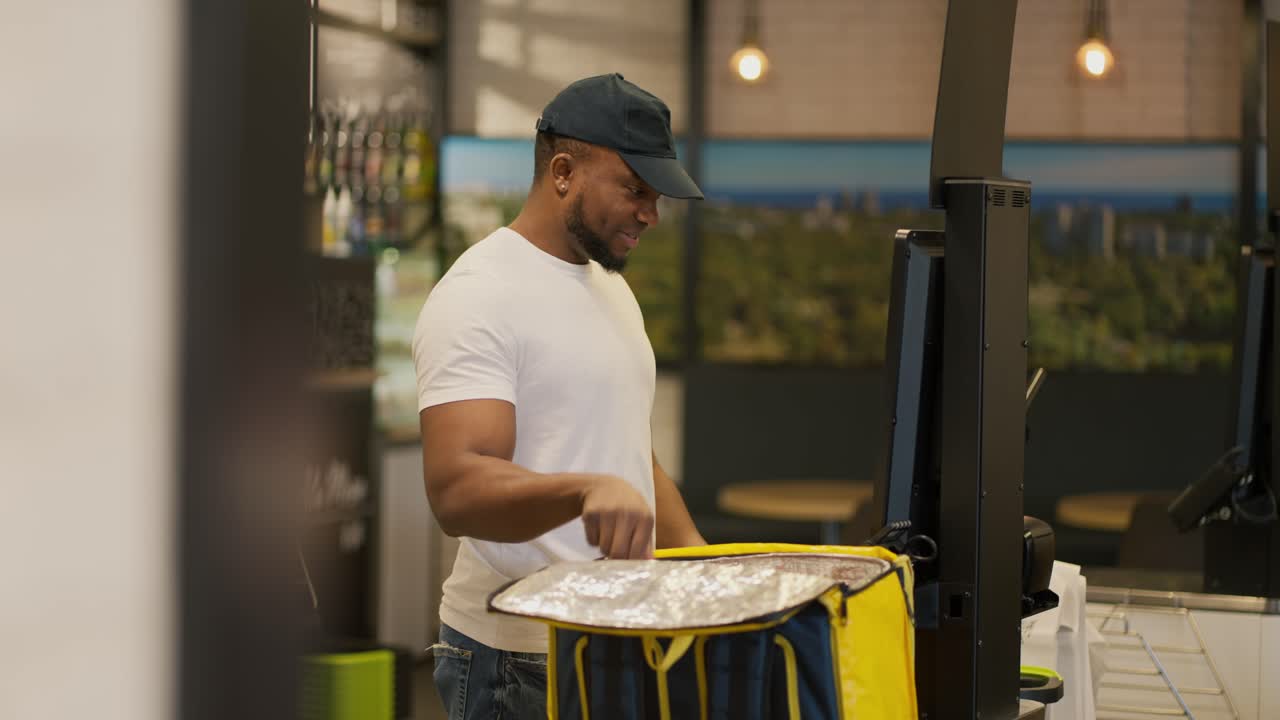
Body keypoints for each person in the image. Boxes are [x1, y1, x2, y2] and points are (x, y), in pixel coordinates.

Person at [412, 73, 707, 719]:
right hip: (517, 659)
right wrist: (584, 490)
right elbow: (456, 490)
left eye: (657, 197)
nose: (651, 215)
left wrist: (704, 572)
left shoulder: (610, 289)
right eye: (634, 189)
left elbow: (629, 455)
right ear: (565, 171)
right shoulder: (479, 294)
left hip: (617, 640)